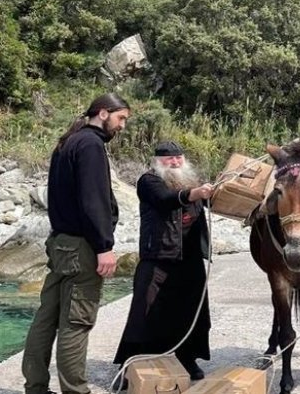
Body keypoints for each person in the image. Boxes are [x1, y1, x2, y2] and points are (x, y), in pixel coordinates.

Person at [22, 93, 131, 394]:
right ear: (103, 113)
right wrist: (103, 246)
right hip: (82, 247)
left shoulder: (68, 142)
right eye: (121, 118)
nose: (122, 126)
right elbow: (92, 201)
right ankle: (76, 391)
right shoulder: (91, 146)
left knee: (46, 318)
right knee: (76, 321)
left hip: (60, 243)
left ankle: (35, 388)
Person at [113, 141, 214, 381]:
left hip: (190, 258)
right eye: (170, 159)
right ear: (158, 161)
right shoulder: (148, 182)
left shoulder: (192, 181)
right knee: (146, 312)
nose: (176, 162)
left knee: (192, 311)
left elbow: (213, 202)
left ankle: (186, 357)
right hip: (159, 255)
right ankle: (132, 364)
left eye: (179, 158)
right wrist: (195, 193)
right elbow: (166, 199)